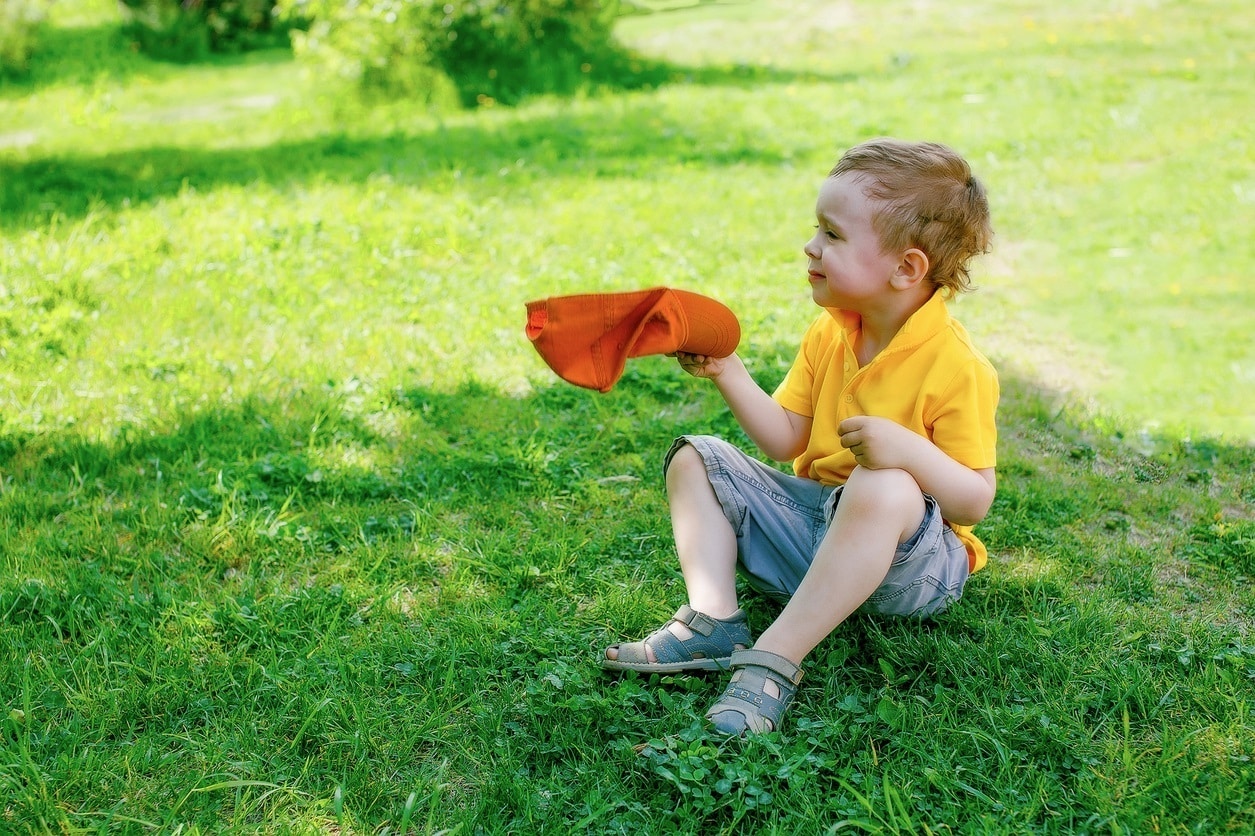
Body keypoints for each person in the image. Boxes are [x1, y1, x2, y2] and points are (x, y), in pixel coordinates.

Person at [602, 138, 999, 736]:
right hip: (817, 534)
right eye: (817, 229)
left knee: (884, 486)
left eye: (833, 235)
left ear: (906, 268)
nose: (811, 246)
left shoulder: (957, 365)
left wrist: (906, 452)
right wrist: (728, 371)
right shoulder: (830, 332)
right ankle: (713, 619)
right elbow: (787, 440)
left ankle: (776, 657)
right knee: (695, 458)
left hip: (912, 570)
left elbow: (974, 500)